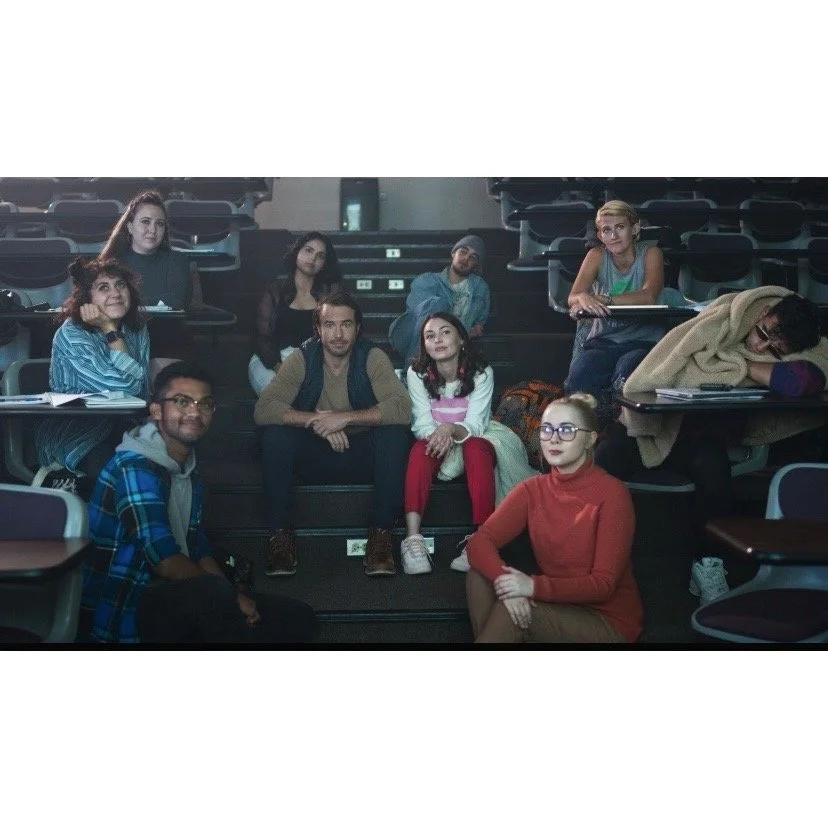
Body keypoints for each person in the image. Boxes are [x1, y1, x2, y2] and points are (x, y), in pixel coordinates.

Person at [595, 287, 828, 604]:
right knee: (605, 456)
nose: (759, 345)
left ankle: (707, 565)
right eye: (762, 333)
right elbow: (671, 361)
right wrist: (749, 370)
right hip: (653, 429)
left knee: (713, 466)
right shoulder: (725, 318)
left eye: (774, 350)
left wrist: (740, 367)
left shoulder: (801, 348)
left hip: (701, 440)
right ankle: (592, 556)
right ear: (762, 313)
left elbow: (803, 381)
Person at [78, 361, 319, 644]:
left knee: (297, 617)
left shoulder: (188, 469)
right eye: (182, 401)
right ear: (156, 410)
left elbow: (197, 546)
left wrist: (232, 594)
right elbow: (164, 560)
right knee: (219, 603)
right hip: (129, 602)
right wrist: (229, 598)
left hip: (176, 594)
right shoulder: (135, 467)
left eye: (204, 404)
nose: (194, 411)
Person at [254, 291, 412, 577]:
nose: (338, 334)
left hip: (362, 456)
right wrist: (316, 421)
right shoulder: (302, 358)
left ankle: (380, 536)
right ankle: (280, 537)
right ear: (318, 329)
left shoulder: (372, 356)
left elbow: (402, 408)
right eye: (330, 325)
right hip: (314, 455)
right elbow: (264, 409)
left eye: (346, 324)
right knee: (275, 435)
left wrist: (345, 418)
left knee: (395, 434)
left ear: (358, 328)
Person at [465, 393, 643, 644]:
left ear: (590, 439)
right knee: (479, 576)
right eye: (546, 429)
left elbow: (603, 585)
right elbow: (479, 542)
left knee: (509, 610)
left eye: (567, 430)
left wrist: (532, 588)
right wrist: (508, 585)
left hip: (606, 620)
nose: (554, 438)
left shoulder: (612, 494)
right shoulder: (533, 489)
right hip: (556, 605)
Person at [35, 257, 150, 497]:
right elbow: (124, 389)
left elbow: (141, 390)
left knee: (165, 459)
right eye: (103, 288)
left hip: (125, 427)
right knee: (122, 473)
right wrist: (110, 330)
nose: (116, 293)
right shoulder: (71, 333)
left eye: (120, 285)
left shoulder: (137, 330)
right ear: (88, 300)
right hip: (79, 435)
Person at [401, 313, 496, 575]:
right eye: (430, 336)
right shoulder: (416, 373)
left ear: (461, 339)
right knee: (420, 451)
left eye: (445, 332)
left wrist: (450, 428)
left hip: (472, 434)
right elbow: (421, 422)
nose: (437, 340)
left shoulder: (481, 371)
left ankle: (481, 539)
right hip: (435, 436)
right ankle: (412, 539)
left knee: (476, 448)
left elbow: (476, 423)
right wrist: (440, 435)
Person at [563, 200, 665, 399]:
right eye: (606, 230)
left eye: (620, 227)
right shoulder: (596, 255)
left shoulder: (651, 253)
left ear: (635, 228)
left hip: (642, 342)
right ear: (600, 235)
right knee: (580, 374)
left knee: (626, 374)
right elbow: (573, 297)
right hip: (603, 342)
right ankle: (590, 427)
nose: (613, 236)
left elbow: (649, 295)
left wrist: (605, 299)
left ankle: (621, 428)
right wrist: (583, 297)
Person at [99, 189, 197, 361]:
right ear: (130, 227)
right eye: (145, 222)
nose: (152, 229)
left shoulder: (177, 260)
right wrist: (157, 301)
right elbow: (101, 305)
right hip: (119, 339)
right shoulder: (112, 262)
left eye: (159, 224)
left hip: (166, 341)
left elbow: (176, 302)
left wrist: (123, 304)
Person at [249, 231, 343, 396]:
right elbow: (261, 337)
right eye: (308, 250)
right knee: (279, 394)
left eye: (320, 256)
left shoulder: (330, 294)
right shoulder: (274, 291)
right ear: (296, 252)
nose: (313, 258)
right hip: (271, 361)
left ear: (324, 263)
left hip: (312, 363)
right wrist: (280, 368)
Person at [388, 235, 490, 363]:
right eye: (463, 251)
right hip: (410, 336)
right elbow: (421, 316)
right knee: (438, 305)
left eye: (473, 257)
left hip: (449, 342)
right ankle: (413, 368)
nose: (466, 258)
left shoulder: (480, 288)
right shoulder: (427, 280)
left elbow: (480, 320)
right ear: (453, 253)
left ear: (476, 264)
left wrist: (477, 328)